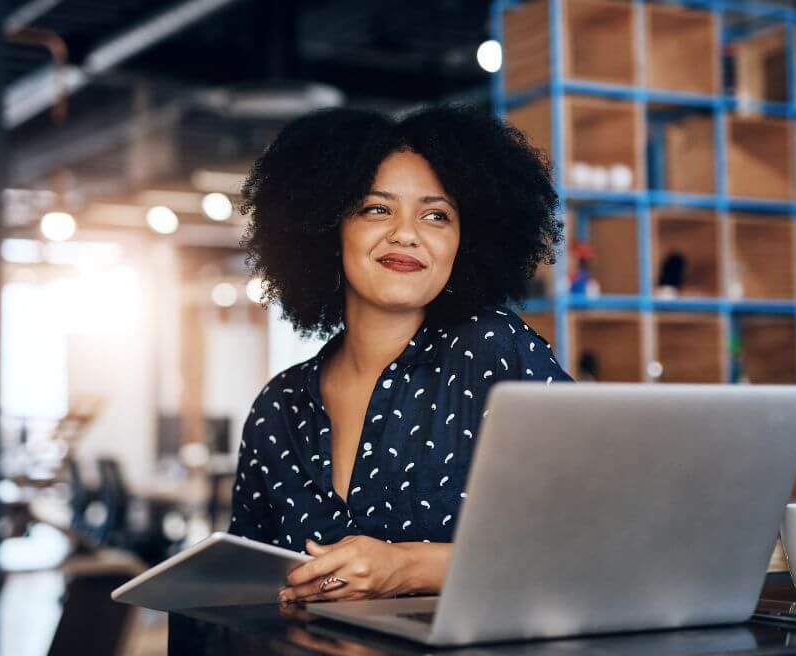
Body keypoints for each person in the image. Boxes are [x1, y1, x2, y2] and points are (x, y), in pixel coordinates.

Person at [228, 103, 573, 605]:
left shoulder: (493, 352)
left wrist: (408, 566)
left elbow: (588, 537)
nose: (406, 233)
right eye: (377, 208)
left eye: (436, 215)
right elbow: (241, 585)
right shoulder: (279, 408)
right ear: (327, 226)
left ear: (465, 241)